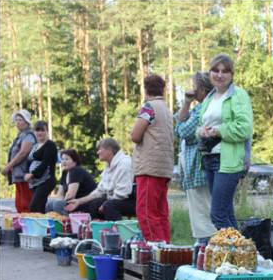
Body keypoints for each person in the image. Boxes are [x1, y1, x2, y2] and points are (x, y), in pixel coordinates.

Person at [198, 54, 253, 230]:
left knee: (218, 215)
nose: (219, 75)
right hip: (209, 158)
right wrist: (202, 131)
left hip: (228, 160)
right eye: (215, 70)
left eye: (225, 71)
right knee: (227, 213)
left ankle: (237, 254)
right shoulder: (209, 98)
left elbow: (245, 128)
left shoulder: (239, 95)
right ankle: (242, 253)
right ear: (210, 73)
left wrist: (218, 131)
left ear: (232, 74)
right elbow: (200, 126)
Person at [131, 74, 174, 243]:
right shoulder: (167, 109)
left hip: (150, 167)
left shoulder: (149, 107)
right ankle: (166, 249)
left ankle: (156, 249)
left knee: (146, 213)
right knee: (161, 213)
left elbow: (135, 135)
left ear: (146, 89)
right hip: (164, 168)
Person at [175, 71, 217, 243]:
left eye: (195, 86)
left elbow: (182, 130)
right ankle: (205, 246)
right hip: (198, 170)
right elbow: (179, 120)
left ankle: (206, 248)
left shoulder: (203, 108)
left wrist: (180, 122)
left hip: (199, 170)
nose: (193, 90)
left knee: (203, 215)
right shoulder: (201, 107)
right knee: (202, 214)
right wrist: (186, 102)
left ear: (202, 89)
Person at [65, 138, 135, 221]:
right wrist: (79, 201)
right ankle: (98, 229)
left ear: (109, 150)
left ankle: (118, 232)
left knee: (108, 206)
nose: (98, 152)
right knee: (94, 204)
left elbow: (122, 193)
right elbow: (99, 191)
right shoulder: (108, 166)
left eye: (100, 149)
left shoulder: (124, 163)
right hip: (116, 200)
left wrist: (105, 204)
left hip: (132, 200)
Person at [2, 109, 36, 213]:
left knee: (27, 204)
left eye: (20, 120)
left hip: (25, 175)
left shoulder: (29, 135)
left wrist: (8, 166)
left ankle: (30, 226)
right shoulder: (20, 136)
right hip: (18, 176)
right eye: (16, 120)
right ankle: (22, 226)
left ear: (27, 121)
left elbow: (23, 153)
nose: (17, 122)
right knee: (19, 204)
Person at [46, 149, 97, 215]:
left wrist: (60, 201)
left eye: (67, 159)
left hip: (85, 202)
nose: (63, 162)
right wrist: (58, 199)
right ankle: (52, 222)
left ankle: (66, 223)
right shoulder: (65, 172)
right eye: (62, 159)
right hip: (74, 202)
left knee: (57, 204)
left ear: (75, 161)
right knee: (48, 202)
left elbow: (71, 195)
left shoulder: (76, 170)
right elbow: (60, 194)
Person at [25, 121, 58, 213]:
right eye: (37, 130)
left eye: (42, 130)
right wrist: (27, 173)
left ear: (47, 131)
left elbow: (45, 164)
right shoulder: (35, 146)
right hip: (34, 182)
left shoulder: (50, 145)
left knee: (34, 206)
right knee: (40, 208)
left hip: (46, 180)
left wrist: (32, 174)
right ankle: (44, 226)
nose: (39, 133)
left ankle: (36, 227)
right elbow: (28, 161)